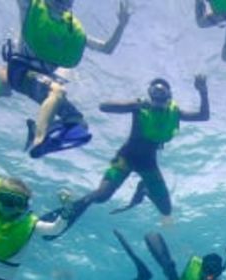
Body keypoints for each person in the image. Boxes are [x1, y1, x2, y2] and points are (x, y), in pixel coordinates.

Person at [51, 76, 211, 234]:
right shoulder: (140, 107)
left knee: (166, 210)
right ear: (150, 94)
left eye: (162, 92)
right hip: (125, 158)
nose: (158, 96)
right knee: (102, 196)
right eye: (155, 91)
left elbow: (204, 116)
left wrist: (203, 91)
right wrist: (136, 104)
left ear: (169, 95)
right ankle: (75, 206)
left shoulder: (175, 113)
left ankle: (144, 189)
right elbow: (103, 106)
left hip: (148, 164)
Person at [5, 0, 131, 157]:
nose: (62, 2)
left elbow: (107, 49)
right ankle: (39, 140)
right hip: (20, 72)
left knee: (78, 124)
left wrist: (121, 25)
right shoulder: (30, 6)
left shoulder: (71, 30)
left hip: (44, 82)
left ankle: (36, 132)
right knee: (57, 90)